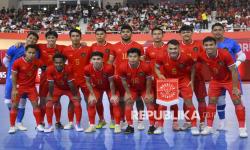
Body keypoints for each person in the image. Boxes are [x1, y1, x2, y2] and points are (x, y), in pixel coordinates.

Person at [199, 36, 247, 138]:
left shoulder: (224, 54)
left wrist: (235, 87)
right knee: (211, 102)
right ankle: (209, 127)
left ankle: (242, 129)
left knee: (237, 101)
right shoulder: (202, 55)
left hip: (230, 80)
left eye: (211, 45)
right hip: (216, 81)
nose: (209, 47)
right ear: (203, 46)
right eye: (206, 45)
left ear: (215, 45)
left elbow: (234, 70)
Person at [154, 40, 200, 135]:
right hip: (169, 81)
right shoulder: (161, 56)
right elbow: (156, 67)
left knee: (188, 102)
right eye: (171, 49)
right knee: (162, 104)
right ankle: (160, 126)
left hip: (183, 81)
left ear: (179, 48)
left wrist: (191, 80)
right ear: (167, 49)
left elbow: (193, 68)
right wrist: (159, 75)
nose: (173, 51)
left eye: (175, 48)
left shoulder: (186, 57)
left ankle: (194, 125)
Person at [211, 23, 246, 130]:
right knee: (220, 101)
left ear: (223, 30)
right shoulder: (210, 43)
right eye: (215, 30)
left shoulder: (231, 42)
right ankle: (222, 122)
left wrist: (237, 64)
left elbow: (242, 55)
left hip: (232, 77)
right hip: (217, 78)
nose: (217, 31)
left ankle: (242, 126)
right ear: (212, 32)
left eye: (219, 29)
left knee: (238, 101)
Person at [3, 32, 39, 131]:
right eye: (30, 38)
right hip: (12, 80)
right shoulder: (15, 47)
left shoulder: (36, 51)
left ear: (36, 42)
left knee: (22, 103)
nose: (32, 40)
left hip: (25, 83)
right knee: (8, 102)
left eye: (34, 39)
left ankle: (19, 122)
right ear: (26, 38)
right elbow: (5, 60)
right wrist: (10, 69)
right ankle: (13, 121)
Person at [113, 25, 145, 130]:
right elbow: (110, 62)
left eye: (128, 31)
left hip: (137, 78)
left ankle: (140, 121)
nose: (125, 33)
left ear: (131, 33)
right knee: (123, 100)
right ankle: (124, 120)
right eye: (123, 31)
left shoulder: (139, 46)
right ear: (120, 33)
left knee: (139, 100)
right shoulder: (115, 46)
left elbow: (143, 62)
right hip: (121, 78)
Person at [118, 48, 156, 134]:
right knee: (128, 102)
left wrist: (148, 93)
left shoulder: (146, 66)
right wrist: (127, 93)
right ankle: (130, 126)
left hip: (145, 88)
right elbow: (123, 81)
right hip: (132, 88)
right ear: (127, 57)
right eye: (130, 56)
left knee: (149, 102)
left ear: (139, 57)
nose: (132, 58)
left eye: (135, 56)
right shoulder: (122, 67)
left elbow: (149, 80)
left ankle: (152, 126)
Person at [9, 45, 44, 134]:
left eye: (33, 53)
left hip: (31, 88)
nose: (31, 55)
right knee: (14, 106)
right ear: (25, 52)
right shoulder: (17, 62)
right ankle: (12, 126)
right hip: (19, 87)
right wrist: (14, 89)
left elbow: (45, 69)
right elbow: (13, 76)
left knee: (36, 105)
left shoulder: (37, 62)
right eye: (29, 52)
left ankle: (39, 124)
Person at [61, 29, 91, 130]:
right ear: (70, 37)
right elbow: (60, 64)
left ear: (81, 37)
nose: (75, 38)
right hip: (72, 80)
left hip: (85, 80)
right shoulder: (65, 50)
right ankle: (70, 122)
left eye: (77, 36)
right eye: (73, 36)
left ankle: (91, 123)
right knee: (72, 101)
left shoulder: (87, 49)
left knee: (89, 101)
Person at [45, 53, 83, 132]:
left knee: (77, 103)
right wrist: (50, 95)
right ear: (53, 62)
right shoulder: (49, 69)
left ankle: (77, 124)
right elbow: (51, 84)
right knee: (49, 104)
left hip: (70, 88)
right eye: (56, 62)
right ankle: (49, 125)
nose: (58, 64)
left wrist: (75, 95)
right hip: (57, 88)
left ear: (64, 62)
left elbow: (71, 84)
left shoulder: (69, 68)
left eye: (60, 62)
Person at [84, 52, 121, 133]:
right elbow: (88, 82)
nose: (96, 61)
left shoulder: (109, 68)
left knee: (114, 102)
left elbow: (111, 82)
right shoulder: (87, 68)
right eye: (94, 59)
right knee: (91, 102)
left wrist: (114, 95)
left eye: (98, 59)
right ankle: (94, 124)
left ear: (103, 60)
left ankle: (116, 124)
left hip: (109, 87)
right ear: (91, 61)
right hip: (97, 88)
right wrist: (92, 95)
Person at [179, 25, 207, 131]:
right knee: (187, 100)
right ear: (180, 34)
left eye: (188, 32)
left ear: (192, 33)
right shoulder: (177, 46)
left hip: (198, 77)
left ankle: (203, 122)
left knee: (201, 99)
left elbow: (205, 59)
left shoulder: (199, 45)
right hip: (184, 78)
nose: (186, 34)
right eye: (184, 32)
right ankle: (188, 121)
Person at [90, 28, 116, 129]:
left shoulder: (111, 47)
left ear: (105, 35)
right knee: (98, 101)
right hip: (96, 79)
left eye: (102, 34)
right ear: (95, 36)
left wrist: (104, 72)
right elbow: (90, 61)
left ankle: (113, 120)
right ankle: (101, 120)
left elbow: (110, 62)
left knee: (112, 100)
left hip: (108, 78)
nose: (100, 36)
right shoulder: (92, 47)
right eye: (98, 34)